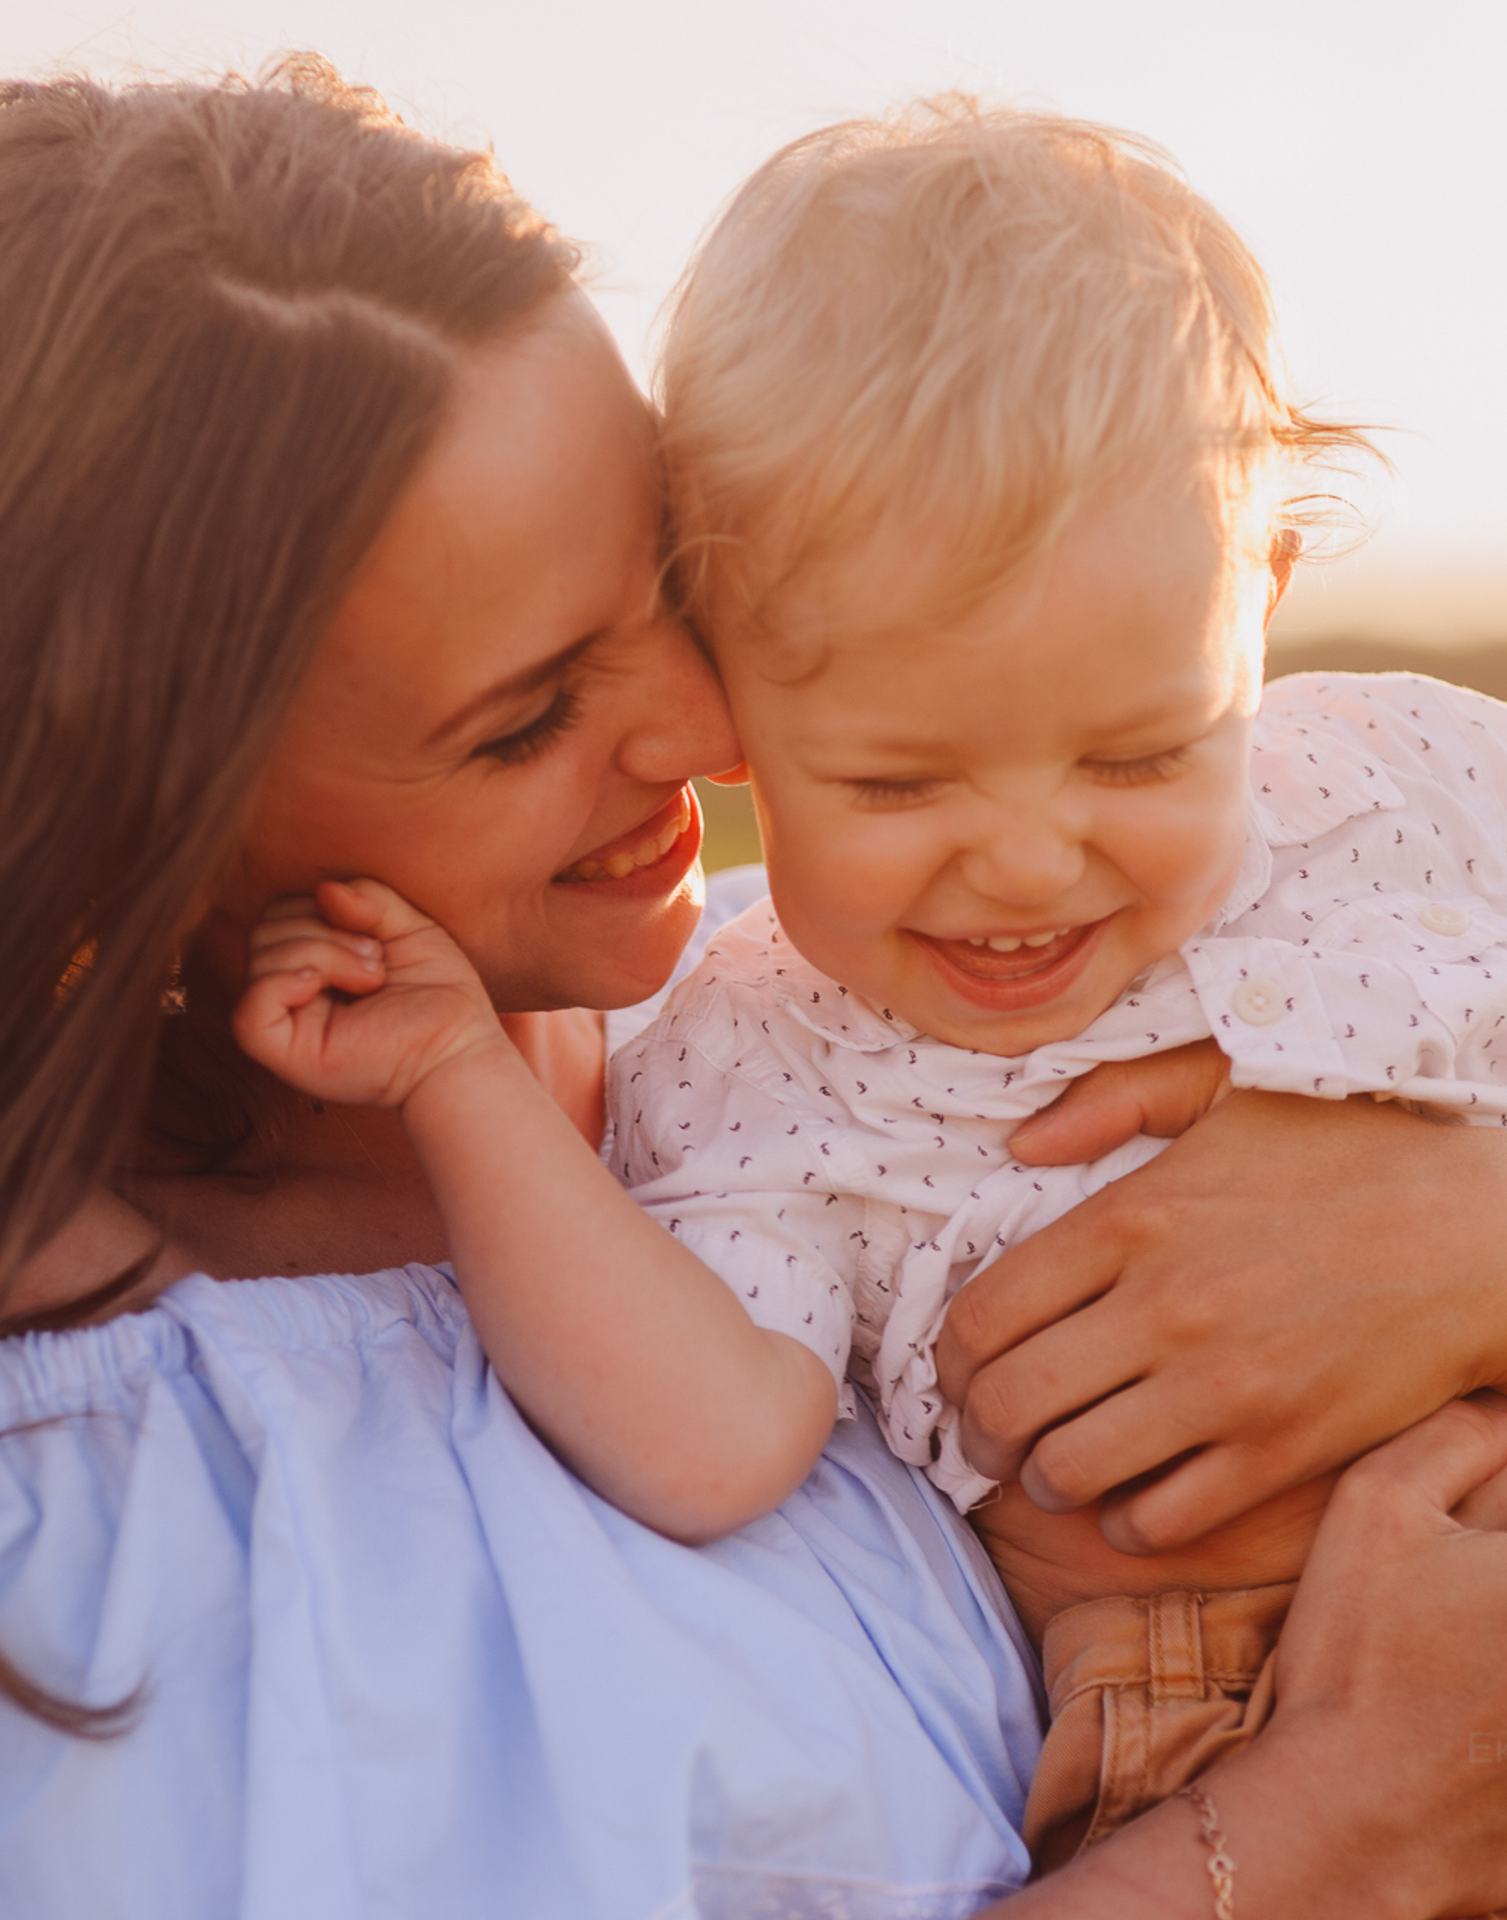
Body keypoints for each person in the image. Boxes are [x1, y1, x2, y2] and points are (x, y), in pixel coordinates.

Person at [0, 62, 1507, 1920]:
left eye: (673, 582)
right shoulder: (130, 1470)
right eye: (526, 718)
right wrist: (1329, 1836)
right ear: (152, 830)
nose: (706, 723)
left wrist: (1461, 1232)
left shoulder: (764, 1027)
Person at [228, 96, 1507, 1877]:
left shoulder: (1402, 791)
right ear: (732, 701)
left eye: (1139, 757)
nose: (1029, 861)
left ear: (1259, 600)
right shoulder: (768, 1059)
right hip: (1216, 1710)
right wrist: (462, 1076)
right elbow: (710, 1438)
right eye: (900, 788)